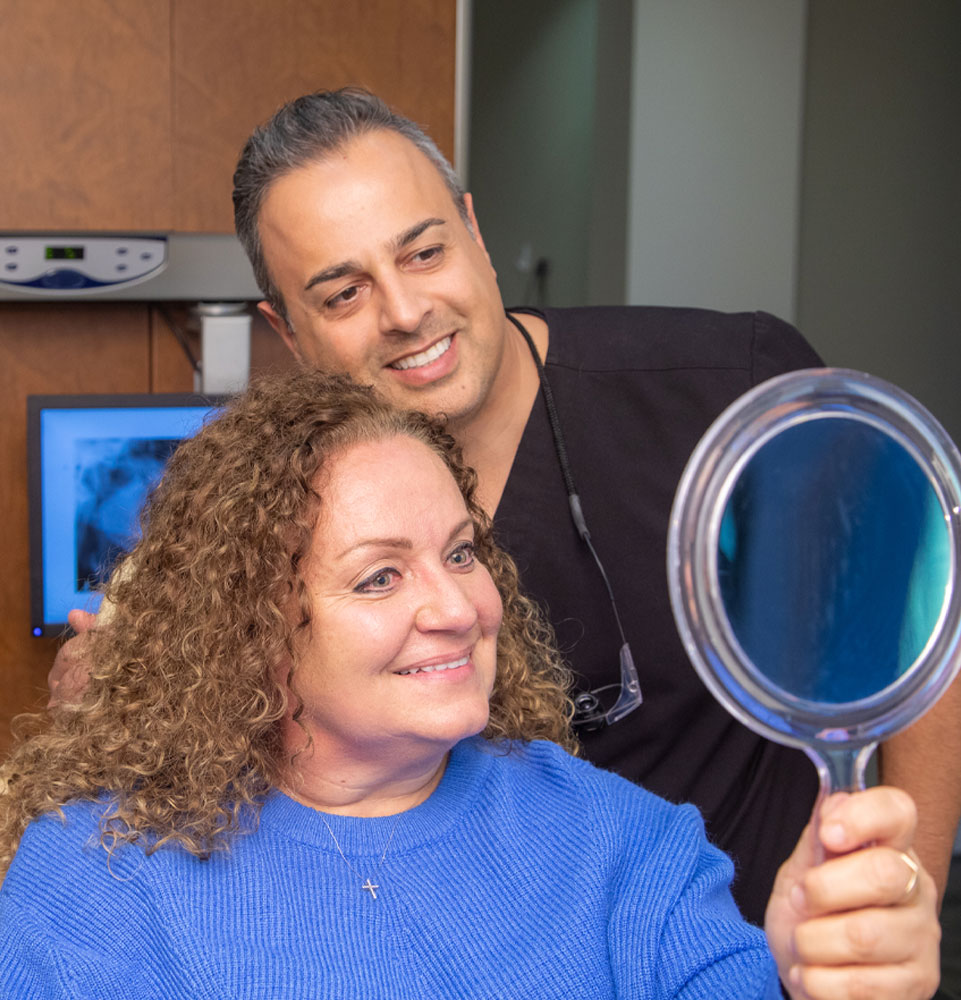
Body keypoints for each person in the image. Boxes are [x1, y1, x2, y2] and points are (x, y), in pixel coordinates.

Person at [47, 87, 961, 929]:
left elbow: (922, 630)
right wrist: (119, 700)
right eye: (344, 292)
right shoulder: (283, 513)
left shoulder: (729, 392)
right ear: (285, 330)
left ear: (474, 232)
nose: (405, 310)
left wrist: (895, 909)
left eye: (425, 250)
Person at [1, 371, 943, 998]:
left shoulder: (623, 849)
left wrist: (822, 979)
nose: (457, 607)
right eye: (379, 576)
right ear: (252, 635)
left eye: (461, 552)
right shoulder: (95, 885)